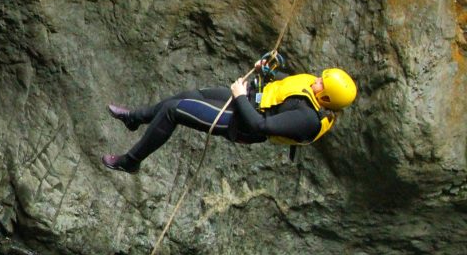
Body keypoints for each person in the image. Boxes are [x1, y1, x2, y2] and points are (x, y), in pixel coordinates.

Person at [102, 65, 357, 173]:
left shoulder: (307, 120)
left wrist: (240, 96)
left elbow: (261, 126)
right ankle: (134, 118)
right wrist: (265, 70)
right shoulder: (310, 89)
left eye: (322, 83)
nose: (317, 80)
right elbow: (286, 86)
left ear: (325, 98)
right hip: (251, 101)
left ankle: (130, 162)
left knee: (175, 111)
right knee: (190, 95)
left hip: (242, 123)